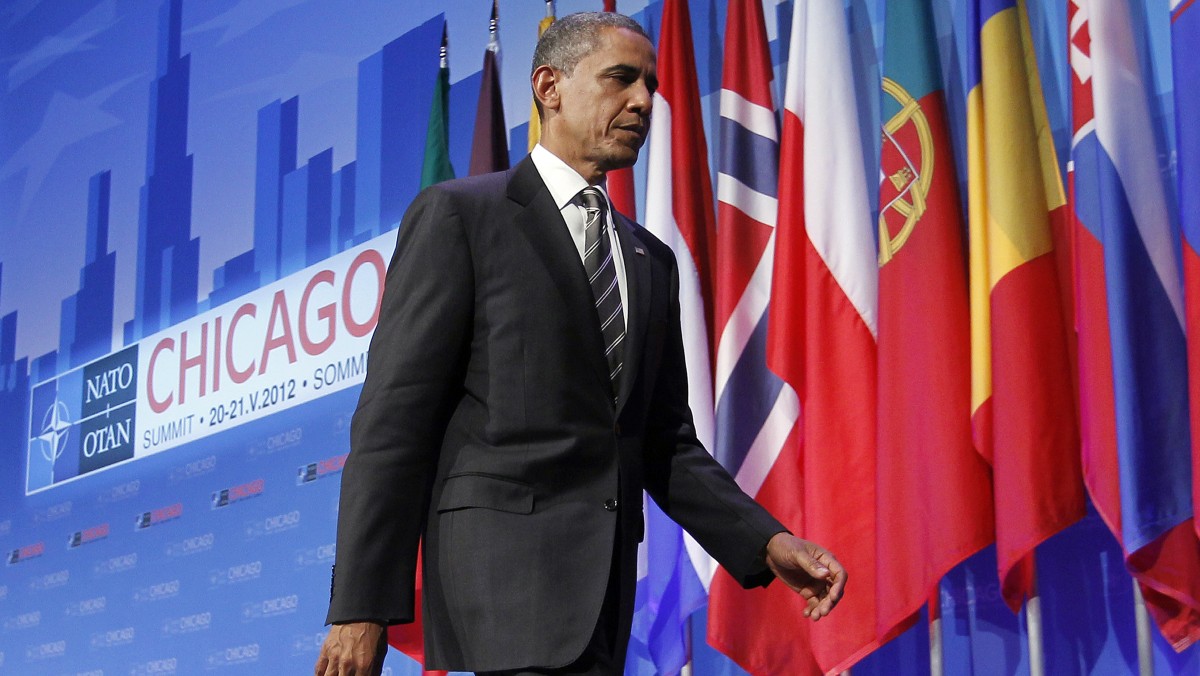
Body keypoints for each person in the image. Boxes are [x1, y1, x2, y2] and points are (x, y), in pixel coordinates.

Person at [315, 12, 844, 676]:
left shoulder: (650, 258)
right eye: (621, 79)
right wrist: (360, 606)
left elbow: (664, 441)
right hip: (501, 595)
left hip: (601, 605)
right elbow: (394, 421)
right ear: (549, 86)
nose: (643, 101)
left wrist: (766, 542)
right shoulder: (461, 218)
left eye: (650, 85)